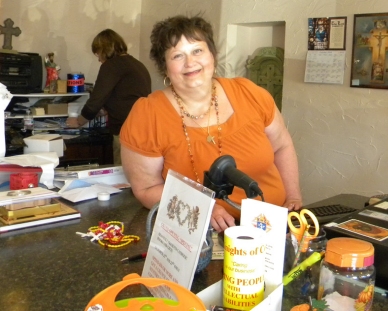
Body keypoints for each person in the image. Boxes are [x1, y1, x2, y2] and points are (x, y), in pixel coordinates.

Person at [120, 15, 302, 233]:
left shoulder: (250, 93)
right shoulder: (147, 115)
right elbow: (146, 188)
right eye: (177, 55)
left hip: (273, 225)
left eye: (197, 50)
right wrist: (202, 208)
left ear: (212, 55)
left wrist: (293, 196)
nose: (190, 63)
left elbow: (281, 146)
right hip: (201, 234)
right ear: (164, 67)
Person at [66, 29, 152, 165]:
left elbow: (96, 100)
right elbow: (125, 95)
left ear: (104, 49)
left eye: (98, 54)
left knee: (122, 175)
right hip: (144, 129)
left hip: (125, 130)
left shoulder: (111, 66)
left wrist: (78, 121)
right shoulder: (137, 64)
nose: (99, 59)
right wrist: (104, 110)